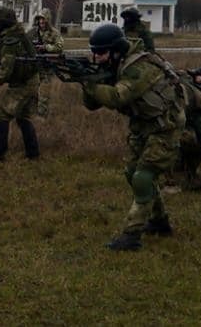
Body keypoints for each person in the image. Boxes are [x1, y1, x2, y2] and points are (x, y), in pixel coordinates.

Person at [81, 24, 185, 251]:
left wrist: (91, 83)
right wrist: (88, 80)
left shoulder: (139, 67)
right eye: (94, 52)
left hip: (166, 127)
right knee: (132, 173)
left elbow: (118, 96)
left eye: (100, 53)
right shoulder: (115, 65)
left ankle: (131, 235)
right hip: (143, 126)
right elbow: (92, 104)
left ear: (116, 51)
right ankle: (159, 221)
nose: (96, 57)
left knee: (143, 177)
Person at [0, 7, 40, 161]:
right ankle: (33, 154)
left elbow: (5, 70)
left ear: (4, 23)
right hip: (29, 80)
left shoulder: (10, 41)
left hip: (23, 84)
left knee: (2, 115)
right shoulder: (17, 35)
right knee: (23, 117)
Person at [28, 8, 64, 116]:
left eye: (43, 19)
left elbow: (60, 47)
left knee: (43, 92)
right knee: (31, 91)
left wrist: (46, 47)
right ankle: (31, 114)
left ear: (48, 20)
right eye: (39, 19)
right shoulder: (32, 32)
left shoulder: (54, 33)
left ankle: (42, 117)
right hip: (33, 67)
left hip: (47, 67)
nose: (41, 22)